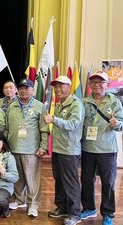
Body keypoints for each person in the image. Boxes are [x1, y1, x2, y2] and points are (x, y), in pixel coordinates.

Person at [80, 71, 123, 225]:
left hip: (107, 149)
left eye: (101, 82)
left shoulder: (115, 102)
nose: (97, 84)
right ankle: (89, 208)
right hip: (88, 148)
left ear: (107, 84)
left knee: (108, 182)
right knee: (86, 180)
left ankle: (108, 213)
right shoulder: (84, 102)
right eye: (94, 82)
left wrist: (116, 124)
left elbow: (121, 123)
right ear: (90, 85)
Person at [44, 76, 84, 225]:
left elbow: (73, 124)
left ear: (69, 86)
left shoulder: (76, 104)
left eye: (61, 86)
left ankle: (74, 213)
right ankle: (61, 208)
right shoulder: (60, 104)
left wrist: (54, 119)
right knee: (59, 180)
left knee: (70, 182)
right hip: (58, 149)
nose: (58, 89)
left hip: (70, 150)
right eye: (55, 87)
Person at [5, 79, 49, 217]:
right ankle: (19, 199)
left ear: (32, 90)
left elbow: (44, 129)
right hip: (13, 148)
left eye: (27, 88)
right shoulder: (12, 106)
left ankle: (33, 205)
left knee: (32, 179)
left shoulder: (39, 106)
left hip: (31, 149)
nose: (23, 90)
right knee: (18, 178)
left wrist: (43, 147)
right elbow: (6, 128)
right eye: (21, 88)